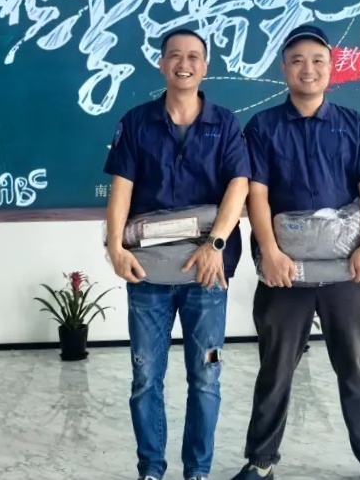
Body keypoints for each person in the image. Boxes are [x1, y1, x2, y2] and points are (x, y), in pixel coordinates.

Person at [231, 24, 360, 480]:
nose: (307, 69)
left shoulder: (353, 124)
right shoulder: (263, 127)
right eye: (297, 61)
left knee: (356, 370)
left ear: (331, 68)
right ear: (283, 69)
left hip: (346, 269)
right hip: (284, 270)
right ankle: (260, 461)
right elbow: (256, 194)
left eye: (317, 61)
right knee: (275, 371)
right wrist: (269, 252)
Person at [103, 28, 251, 480]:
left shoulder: (225, 123)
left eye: (193, 57)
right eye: (174, 55)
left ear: (205, 66)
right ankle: (151, 468)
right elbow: (122, 187)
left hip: (207, 272)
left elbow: (239, 186)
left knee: (206, 376)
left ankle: (197, 471)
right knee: (146, 376)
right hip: (147, 273)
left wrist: (216, 243)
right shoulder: (136, 122)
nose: (183, 64)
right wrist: (114, 246)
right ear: (161, 63)